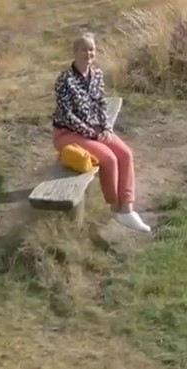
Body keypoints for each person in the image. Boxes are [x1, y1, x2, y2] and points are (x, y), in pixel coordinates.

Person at [51, 32, 152, 233]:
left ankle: (128, 208)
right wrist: (92, 133)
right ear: (75, 52)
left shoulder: (97, 75)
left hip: (96, 129)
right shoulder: (64, 80)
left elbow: (101, 103)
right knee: (109, 159)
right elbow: (67, 114)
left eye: (91, 49)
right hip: (68, 133)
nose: (88, 53)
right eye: (83, 49)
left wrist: (105, 127)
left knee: (125, 154)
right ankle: (115, 208)